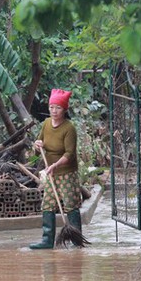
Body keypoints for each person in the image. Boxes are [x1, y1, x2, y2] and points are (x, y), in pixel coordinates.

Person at [29, 89, 82, 249]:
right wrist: (37, 145)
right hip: (51, 172)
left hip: (66, 173)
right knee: (48, 204)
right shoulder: (46, 124)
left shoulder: (69, 128)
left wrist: (55, 165)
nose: (53, 111)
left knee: (70, 204)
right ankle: (47, 240)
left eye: (57, 108)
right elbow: (39, 143)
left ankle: (76, 240)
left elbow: (70, 154)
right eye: (51, 107)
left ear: (64, 109)